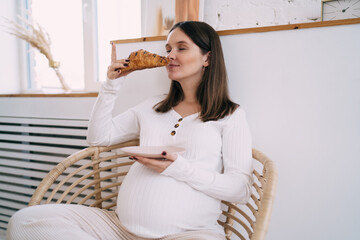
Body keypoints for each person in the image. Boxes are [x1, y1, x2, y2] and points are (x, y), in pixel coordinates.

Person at [6, 21, 253, 240]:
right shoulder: (152, 107)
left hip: (191, 234)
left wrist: (178, 168)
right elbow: (98, 138)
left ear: (207, 58)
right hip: (119, 230)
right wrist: (112, 85)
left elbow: (239, 190)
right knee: (25, 221)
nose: (170, 55)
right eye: (168, 49)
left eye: (181, 47)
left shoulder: (231, 116)